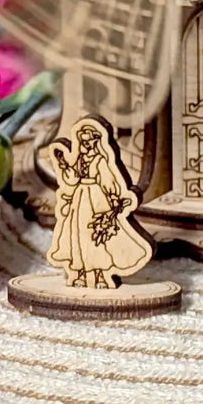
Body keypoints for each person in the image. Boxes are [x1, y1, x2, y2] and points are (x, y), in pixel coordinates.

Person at [47, 117, 153, 288]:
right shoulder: (79, 160)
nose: (85, 145)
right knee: (79, 235)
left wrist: (115, 200)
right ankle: (80, 273)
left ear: (96, 141)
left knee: (96, 237)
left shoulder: (100, 161)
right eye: (83, 141)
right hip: (80, 199)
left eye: (88, 141)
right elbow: (72, 181)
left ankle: (101, 275)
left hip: (96, 199)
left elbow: (109, 182)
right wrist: (63, 164)